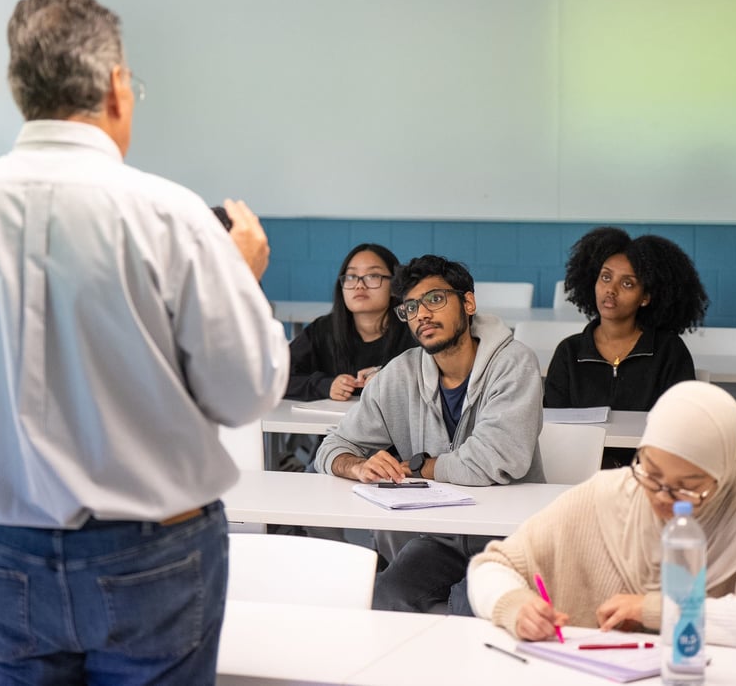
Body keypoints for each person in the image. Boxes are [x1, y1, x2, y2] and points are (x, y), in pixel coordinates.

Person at [0, 0, 289, 685]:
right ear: (116, 87)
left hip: (2, 551)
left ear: (20, 89)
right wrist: (239, 276)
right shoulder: (168, 212)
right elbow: (245, 393)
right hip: (152, 556)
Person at [468, 381, 736, 652]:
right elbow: (491, 568)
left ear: (724, 473)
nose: (661, 499)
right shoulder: (609, 494)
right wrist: (513, 604)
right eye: (652, 476)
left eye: (687, 488)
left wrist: (653, 609)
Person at [314, 254, 544, 613]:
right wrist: (356, 466)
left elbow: (496, 459)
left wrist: (416, 467)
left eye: (435, 299)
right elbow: (332, 448)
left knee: (469, 606)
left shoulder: (514, 363)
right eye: (410, 308)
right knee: (383, 598)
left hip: (509, 537)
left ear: (468, 303)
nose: (421, 314)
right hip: (440, 537)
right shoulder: (400, 373)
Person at [544, 227, 708, 467]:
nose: (611, 290)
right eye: (606, 277)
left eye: (628, 284)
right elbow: (553, 427)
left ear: (646, 297)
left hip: (648, 475)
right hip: (577, 473)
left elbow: (681, 426)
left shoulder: (669, 352)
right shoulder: (569, 352)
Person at [286, 243, 417, 402]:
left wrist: (390, 378)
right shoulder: (323, 330)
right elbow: (277, 377)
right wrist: (325, 385)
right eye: (351, 277)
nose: (359, 285)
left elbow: (439, 376)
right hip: (331, 425)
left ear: (394, 286)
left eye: (373, 275)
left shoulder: (414, 328)